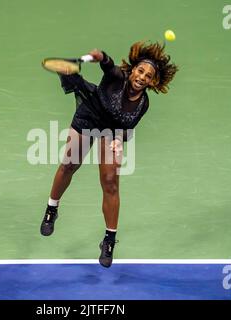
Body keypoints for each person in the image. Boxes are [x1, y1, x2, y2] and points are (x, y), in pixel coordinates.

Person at [40, 41, 178, 268]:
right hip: (91, 114)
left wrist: (117, 141)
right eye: (140, 71)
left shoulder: (143, 104)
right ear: (132, 70)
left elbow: (126, 127)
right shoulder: (117, 77)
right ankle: (51, 209)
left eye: (148, 75)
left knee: (110, 182)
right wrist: (101, 56)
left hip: (111, 129)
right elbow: (108, 64)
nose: (142, 76)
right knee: (69, 164)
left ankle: (109, 240)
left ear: (152, 81)